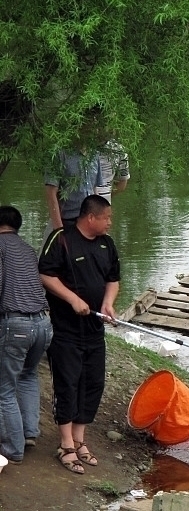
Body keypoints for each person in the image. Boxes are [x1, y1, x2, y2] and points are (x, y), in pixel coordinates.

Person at [38, 195, 119, 475]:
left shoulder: (107, 244)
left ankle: (80, 439)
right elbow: (45, 275)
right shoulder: (61, 239)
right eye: (107, 217)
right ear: (91, 218)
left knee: (93, 383)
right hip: (65, 331)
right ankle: (66, 444)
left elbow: (113, 279)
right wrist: (72, 298)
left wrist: (108, 303)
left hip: (94, 330)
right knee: (68, 384)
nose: (110, 222)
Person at [0, 206, 52, 464]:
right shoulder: (28, 249)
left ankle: (12, 448)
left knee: (4, 389)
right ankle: (29, 432)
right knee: (29, 375)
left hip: (16, 324)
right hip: (43, 323)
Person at [43, 148, 105, 232]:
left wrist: (101, 221)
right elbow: (51, 194)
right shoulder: (59, 154)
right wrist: (59, 229)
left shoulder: (94, 154)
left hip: (90, 222)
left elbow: (94, 189)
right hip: (67, 221)